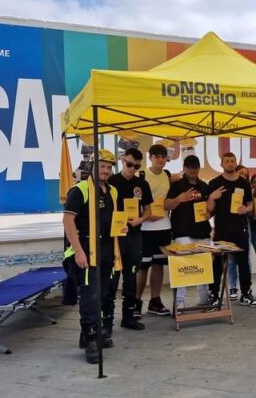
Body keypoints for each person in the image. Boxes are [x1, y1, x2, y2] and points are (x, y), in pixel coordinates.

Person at [62, 149, 121, 364]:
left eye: (109, 167)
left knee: (103, 293)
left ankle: (89, 334)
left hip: (107, 248)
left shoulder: (112, 191)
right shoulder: (80, 191)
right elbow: (68, 221)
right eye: (102, 166)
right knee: (90, 296)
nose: (105, 170)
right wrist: (78, 251)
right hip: (87, 248)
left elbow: (114, 219)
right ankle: (90, 339)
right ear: (93, 166)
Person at [206, 152, 256, 307]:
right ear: (221, 164)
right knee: (217, 265)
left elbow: (251, 204)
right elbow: (209, 210)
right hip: (221, 230)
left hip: (240, 229)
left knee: (244, 263)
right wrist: (211, 197)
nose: (230, 163)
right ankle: (214, 296)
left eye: (232, 161)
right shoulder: (215, 182)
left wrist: (247, 208)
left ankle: (246, 294)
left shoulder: (244, 183)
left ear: (236, 162)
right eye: (227, 161)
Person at [106, 148, 149, 331]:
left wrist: (140, 219)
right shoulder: (111, 182)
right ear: (123, 161)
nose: (132, 169)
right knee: (112, 280)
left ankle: (129, 317)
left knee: (131, 278)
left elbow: (148, 209)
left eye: (136, 166)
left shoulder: (142, 184)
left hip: (134, 236)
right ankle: (107, 321)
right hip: (115, 237)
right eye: (129, 164)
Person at [165, 155, 212, 309]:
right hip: (182, 232)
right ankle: (179, 301)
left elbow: (210, 209)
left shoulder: (204, 186)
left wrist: (209, 214)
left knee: (203, 267)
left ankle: (204, 298)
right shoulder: (177, 185)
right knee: (182, 268)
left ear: (199, 168)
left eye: (195, 167)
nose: (193, 170)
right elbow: (166, 206)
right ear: (184, 168)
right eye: (190, 167)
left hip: (202, 232)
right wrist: (179, 199)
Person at [136, 144, 173, 317]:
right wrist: (144, 215)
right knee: (142, 267)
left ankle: (155, 301)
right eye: (156, 156)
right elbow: (132, 201)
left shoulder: (167, 175)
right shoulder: (141, 175)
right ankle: (136, 302)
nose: (160, 159)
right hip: (145, 228)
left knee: (159, 265)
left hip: (164, 227)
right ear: (150, 157)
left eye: (163, 156)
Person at [227, 164, 252, 301]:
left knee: (245, 258)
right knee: (231, 259)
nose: (243, 176)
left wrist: (247, 209)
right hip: (229, 225)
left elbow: (251, 206)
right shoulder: (228, 186)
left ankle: (246, 287)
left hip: (244, 224)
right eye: (241, 173)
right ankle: (232, 286)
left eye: (245, 175)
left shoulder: (247, 188)